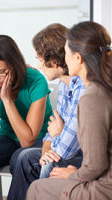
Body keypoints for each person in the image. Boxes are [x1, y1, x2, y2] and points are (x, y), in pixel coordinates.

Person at [27, 21, 112, 200]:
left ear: (78, 58)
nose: (63, 59)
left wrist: (73, 175)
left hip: (104, 185)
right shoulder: (103, 87)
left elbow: (95, 165)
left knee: (37, 189)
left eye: (66, 52)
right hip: (101, 176)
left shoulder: (92, 97)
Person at [0, 35, 53, 200]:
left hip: (40, 138)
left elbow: (27, 140)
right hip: (7, 136)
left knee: (19, 159)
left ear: (14, 66)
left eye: (1, 72)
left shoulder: (36, 81)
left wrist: (7, 100)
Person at [7, 23, 86, 200]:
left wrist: (56, 136)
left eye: (40, 60)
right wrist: (47, 147)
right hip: (70, 149)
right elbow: (52, 130)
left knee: (50, 164)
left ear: (54, 62)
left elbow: (66, 150)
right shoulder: (65, 84)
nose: (38, 66)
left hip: (90, 160)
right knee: (25, 158)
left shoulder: (83, 86)